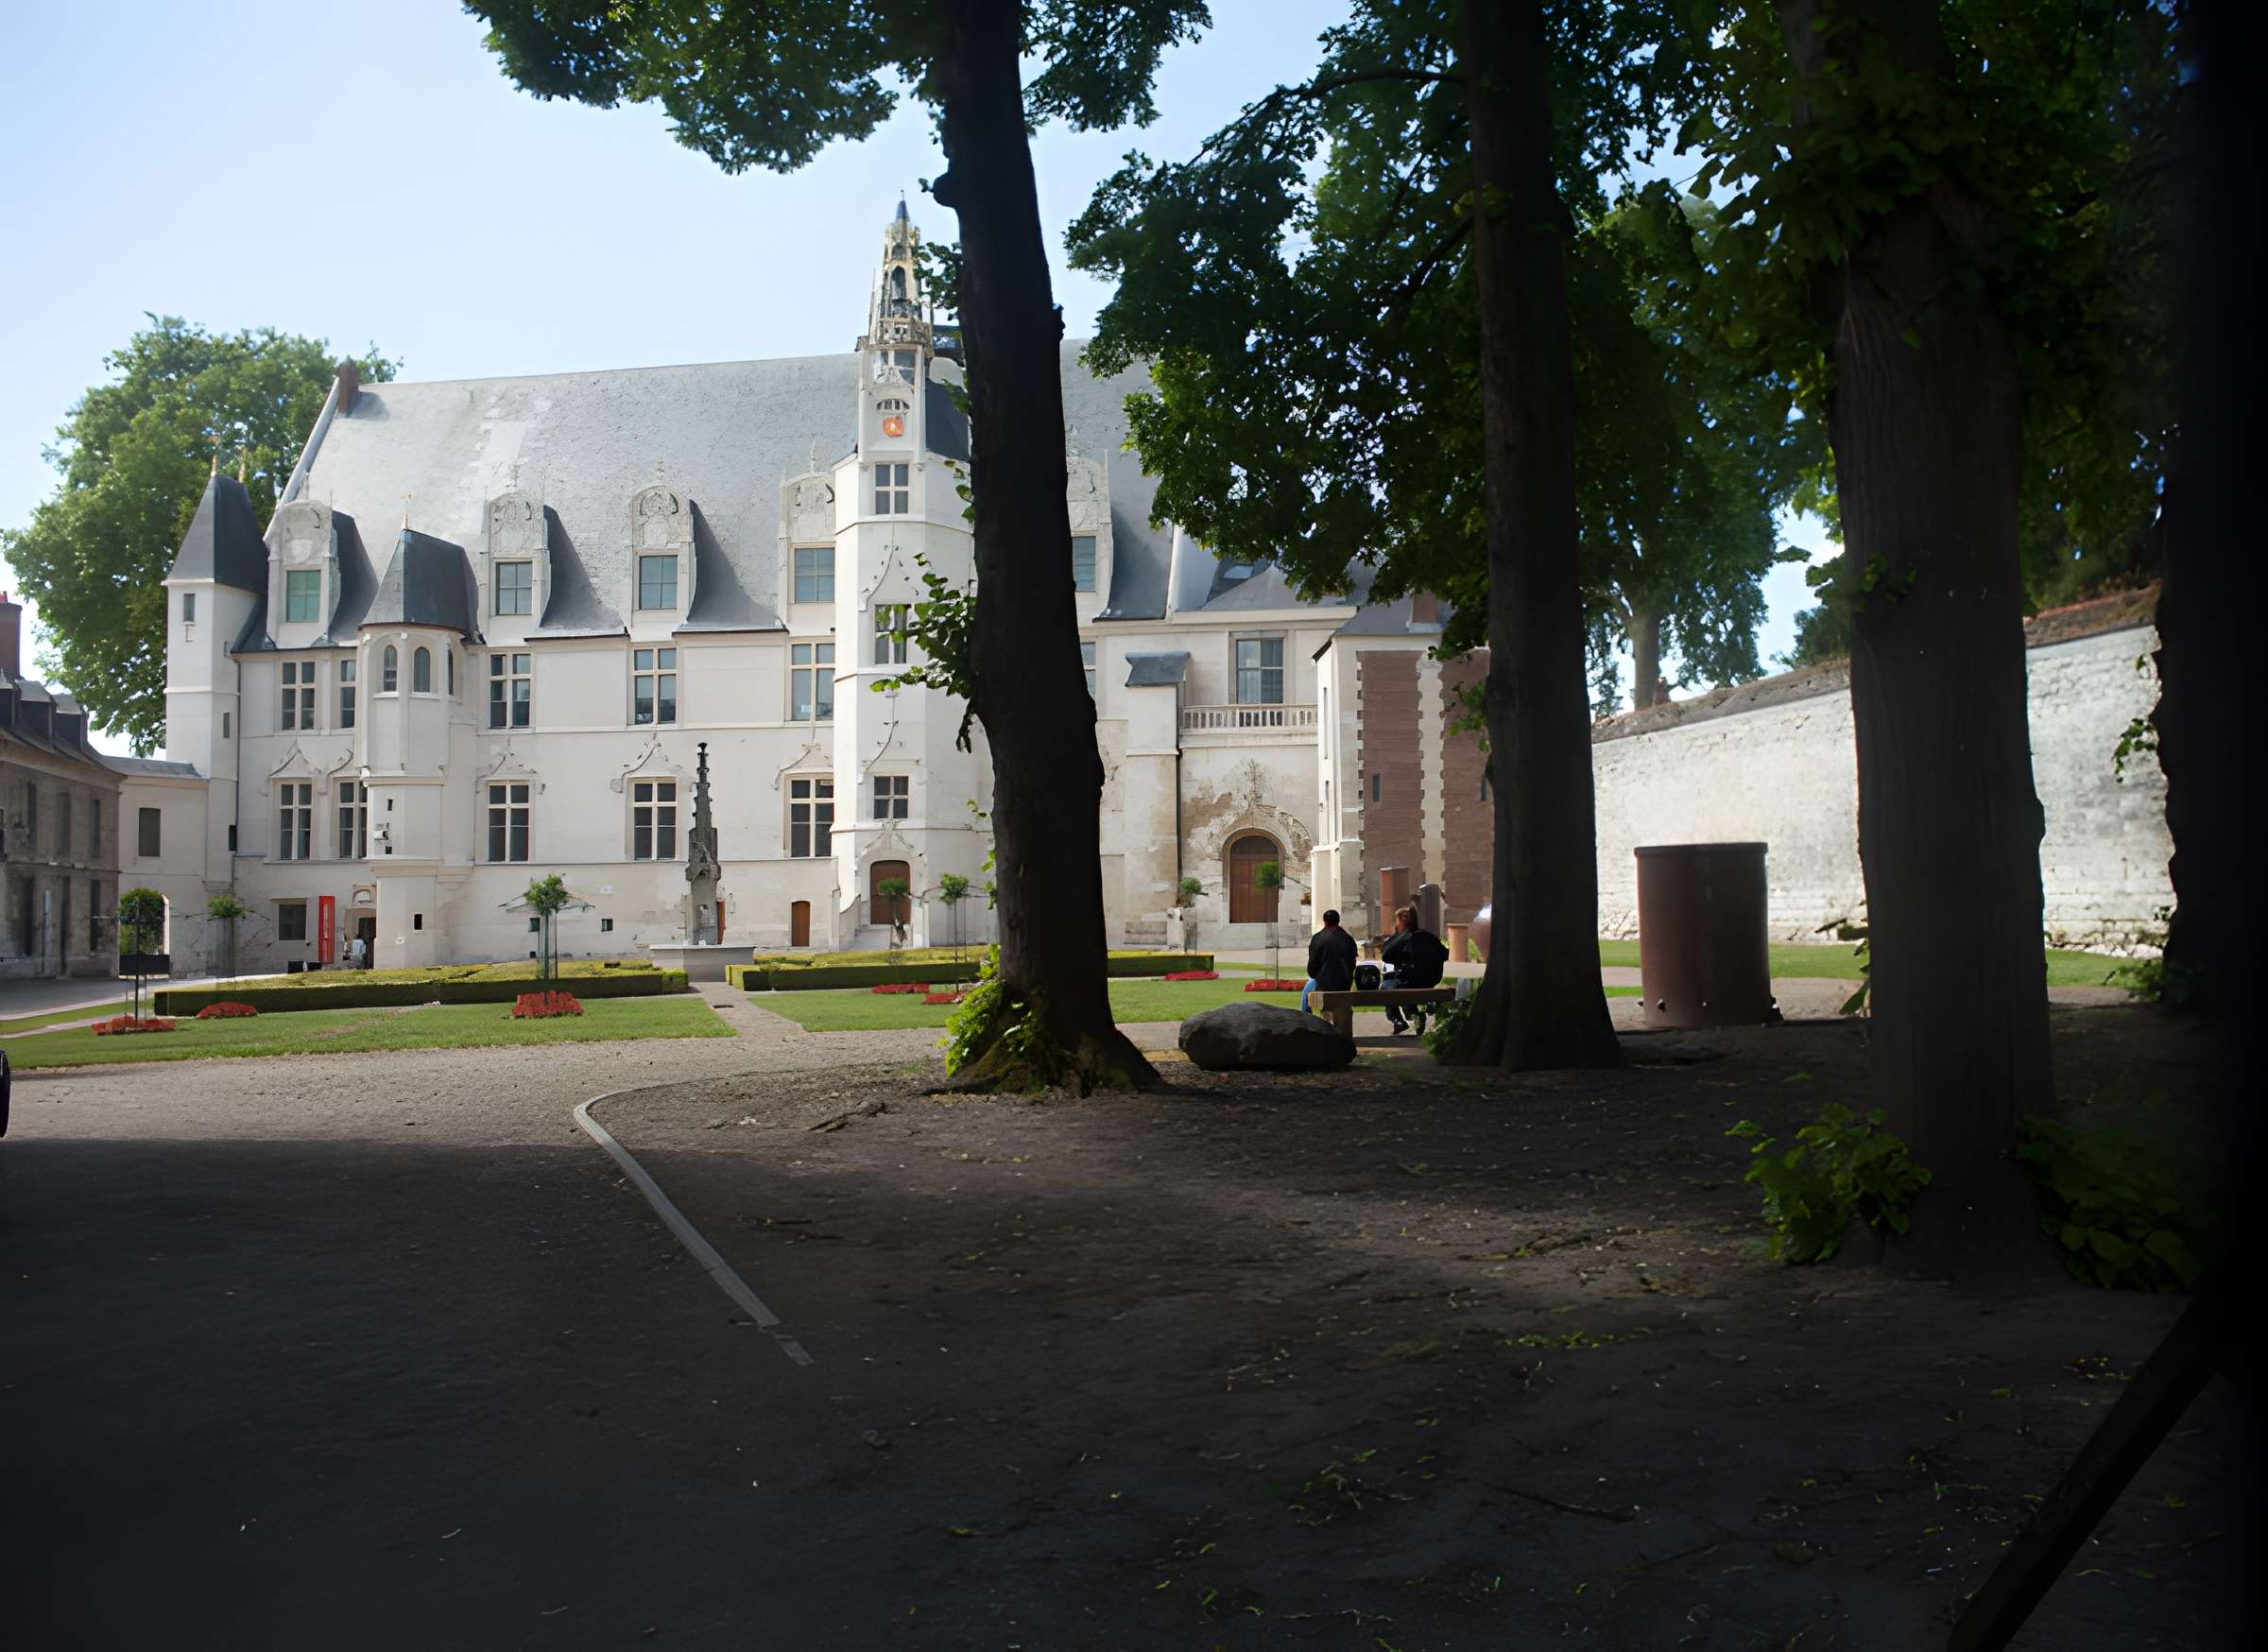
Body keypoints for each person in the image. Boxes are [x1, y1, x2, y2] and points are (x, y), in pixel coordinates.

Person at [1380, 904, 1449, 1035]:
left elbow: (1386, 955)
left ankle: (1398, 1020)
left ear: (1402, 921)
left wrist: (1398, 935)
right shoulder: (1428, 936)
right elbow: (1445, 954)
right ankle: (1415, 1018)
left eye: (1397, 921)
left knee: (1387, 986)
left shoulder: (1404, 938)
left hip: (1410, 981)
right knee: (1402, 988)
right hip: (1430, 980)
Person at [1301, 908, 1357, 1015]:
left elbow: (1312, 969)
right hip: (1343, 984)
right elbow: (1352, 964)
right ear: (1338, 921)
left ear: (1325, 921)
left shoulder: (1318, 938)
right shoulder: (1348, 939)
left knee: (1306, 995)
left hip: (1324, 984)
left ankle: (1305, 1019)